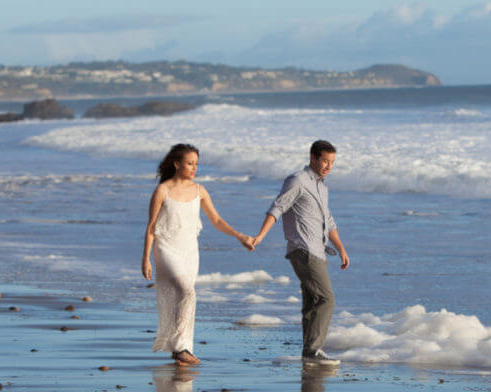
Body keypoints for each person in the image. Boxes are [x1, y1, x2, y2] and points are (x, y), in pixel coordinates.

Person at [142, 143, 253, 365]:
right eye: (190, 163)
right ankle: (181, 348)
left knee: (184, 297)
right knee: (187, 292)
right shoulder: (162, 190)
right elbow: (152, 227)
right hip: (166, 248)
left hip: (189, 250)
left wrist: (240, 236)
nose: (194, 168)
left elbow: (217, 221)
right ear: (176, 164)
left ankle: (181, 348)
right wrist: (145, 258)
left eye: (196, 164)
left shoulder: (199, 190)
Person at [250, 140, 349, 365]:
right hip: (302, 249)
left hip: (318, 251)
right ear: (312, 158)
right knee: (326, 298)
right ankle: (313, 350)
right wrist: (260, 236)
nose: (328, 166)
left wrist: (341, 248)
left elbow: (329, 221)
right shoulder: (297, 180)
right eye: (325, 161)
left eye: (332, 162)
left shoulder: (322, 187)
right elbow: (278, 207)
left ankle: (309, 352)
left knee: (312, 301)